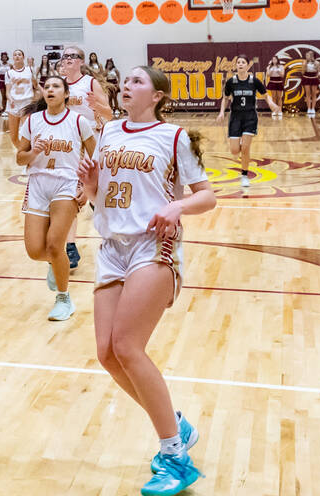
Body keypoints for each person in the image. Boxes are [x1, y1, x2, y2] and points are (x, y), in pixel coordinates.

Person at [77, 65, 216, 496]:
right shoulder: (109, 133)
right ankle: (175, 423)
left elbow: (207, 196)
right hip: (112, 246)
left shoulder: (173, 137)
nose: (127, 86)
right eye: (127, 80)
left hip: (152, 246)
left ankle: (174, 455)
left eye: (137, 81)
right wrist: (92, 187)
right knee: (106, 354)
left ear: (156, 96)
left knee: (127, 346)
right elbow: (103, 198)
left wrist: (178, 209)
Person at [16, 75, 96, 321]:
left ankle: (64, 298)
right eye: (47, 86)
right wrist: (33, 153)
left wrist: (88, 187)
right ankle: (55, 264)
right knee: (35, 250)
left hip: (67, 183)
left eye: (56, 86)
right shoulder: (32, 121)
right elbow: (20, 158)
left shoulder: (79, 121)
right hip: (38, 183)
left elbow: (96, 157)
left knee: (54, 244)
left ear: (66, 94)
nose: (50, 89)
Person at [58, 44, 112, 269]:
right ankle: (70, 247)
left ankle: (113, 236)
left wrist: (97, 106)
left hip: (91, 141)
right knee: (70, 193)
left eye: (73, 56)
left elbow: (108, 113)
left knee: (97, 194)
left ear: (81, 61)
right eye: (65, 56)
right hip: (68, 145)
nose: (68, 59)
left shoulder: (90, 83)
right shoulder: (57, 85)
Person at [216, 55, 266, 190]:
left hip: (250, 117)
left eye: (243, 62)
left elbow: (265, 94)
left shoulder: (253, 81)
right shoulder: (231, 82)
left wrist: (272, 104)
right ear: (236, 65)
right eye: (238, 62)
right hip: (235, 118)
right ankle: (241, 149)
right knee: (234, 151)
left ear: (247, 65)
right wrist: (221, 112)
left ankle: (244, 175)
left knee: (245, 148)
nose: (240, 64)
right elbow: (225, 98)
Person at [4, 49, 39, 142]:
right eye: (15, 55)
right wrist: (10, 99)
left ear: (23, 57)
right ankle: (21, 152)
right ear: (13, 58)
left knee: (26, 131)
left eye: (19, 54)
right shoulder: (9, 73)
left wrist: (35, 79)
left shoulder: (29, 70)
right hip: (13, 104)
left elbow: (35, 86)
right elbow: (7, 92)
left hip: (27, 102)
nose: (17, 56)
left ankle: (27, 153)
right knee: (13, 136)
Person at [302, 50, 320, 116]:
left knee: (314, 93)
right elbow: (302, 72)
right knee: (308, 93)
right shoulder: (304, 62)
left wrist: (319, 74)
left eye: (307, 55)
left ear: (311, 56)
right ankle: (309, 108)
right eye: (306, 55)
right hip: (306, 77)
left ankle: (313, 108)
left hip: (314, 77)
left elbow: (319, 71)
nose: (306, 56)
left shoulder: (317, 63)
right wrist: (304, 66)